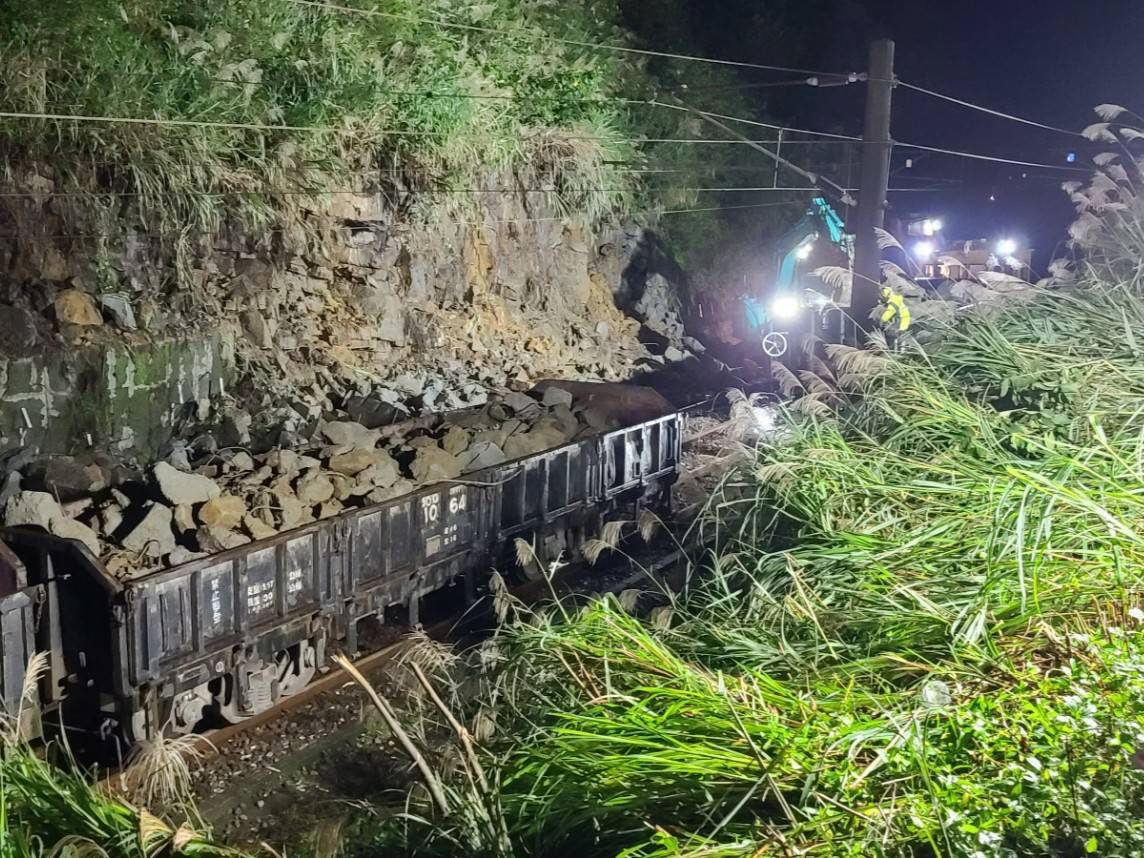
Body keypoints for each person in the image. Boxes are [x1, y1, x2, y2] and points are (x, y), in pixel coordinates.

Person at [879, 285, 910, 349]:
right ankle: (902, 351)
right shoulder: (896, 298)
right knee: (900, 336)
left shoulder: (893, 301)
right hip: (904, 319)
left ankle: (895, 352)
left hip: (901, 320)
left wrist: (882, 319)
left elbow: (891, 311)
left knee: (892, 335)